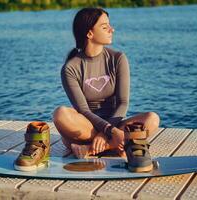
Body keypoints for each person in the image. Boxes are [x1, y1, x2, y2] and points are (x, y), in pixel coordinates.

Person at [53, 8, 160, 172]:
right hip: (85, 128)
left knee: (152, 119)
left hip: (115, 124)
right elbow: (83, 110)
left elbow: (123, 102)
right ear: (89, 34)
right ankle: (115, 143)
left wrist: (107, 134)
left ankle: (93, 148)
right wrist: (109, 131)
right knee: (60, 114)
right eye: (105, 27)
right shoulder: (71, 68)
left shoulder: (118, 58)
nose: (112, 29)